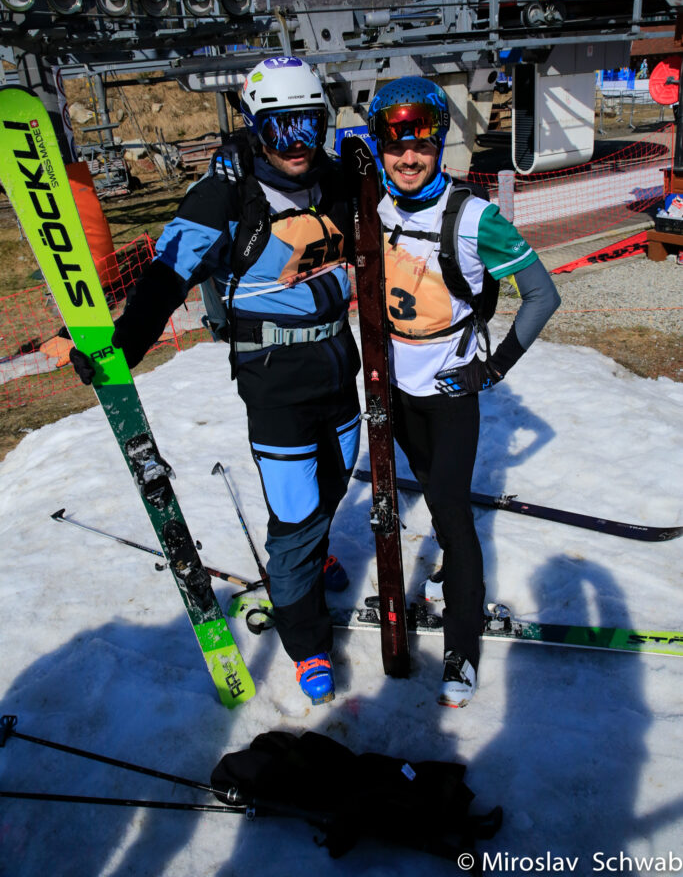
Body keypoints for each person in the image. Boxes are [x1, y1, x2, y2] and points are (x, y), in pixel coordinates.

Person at [71, 56, 361, 706]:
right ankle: (307, 641)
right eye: (280, 129)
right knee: (294, 514)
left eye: (309, 126)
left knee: (333, 485)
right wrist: (121, 345)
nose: (297, 144)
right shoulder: (226, 193)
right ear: (257, 127)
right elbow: (166, 275)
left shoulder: (335, 180)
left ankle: (311, 551)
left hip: (339, 366)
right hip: (274, 380)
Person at [365, 76, 561, 708]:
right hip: (394, 388)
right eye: (394, 143)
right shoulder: (373, 207)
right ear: (378, 146)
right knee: (430, 490)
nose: (409, 156)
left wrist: (493, 368)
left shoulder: (476, 218)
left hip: (451, 388)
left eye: (422, 141)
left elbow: (543, 295)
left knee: (450, 510)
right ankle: (450, 564)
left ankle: (461, 648)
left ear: (439, 143)